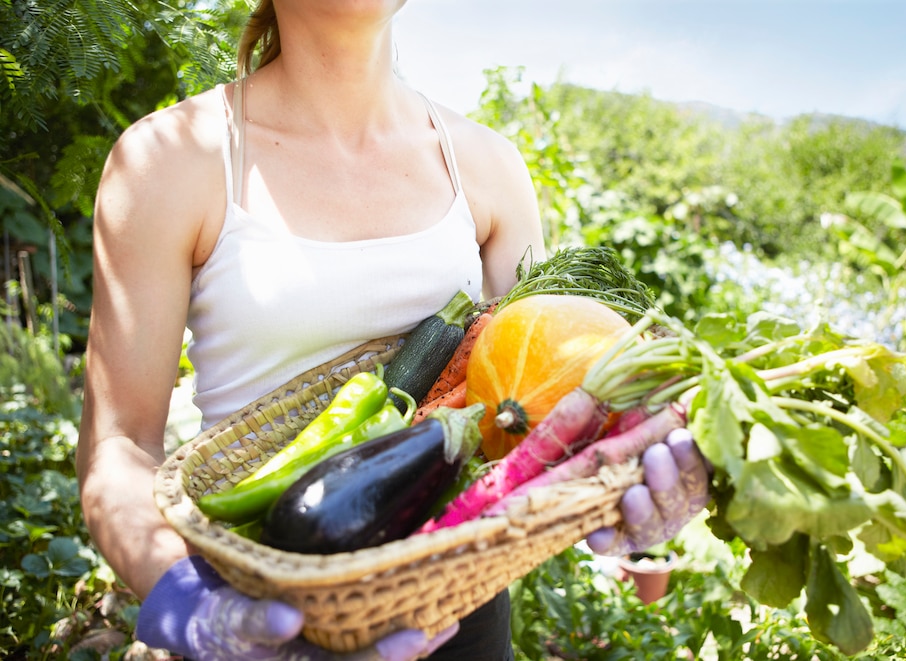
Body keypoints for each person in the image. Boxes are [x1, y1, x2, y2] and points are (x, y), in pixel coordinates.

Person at [75, 1, 710, 659]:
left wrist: (628, 481)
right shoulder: (169, 159)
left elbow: (544, 404)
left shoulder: (488, 166)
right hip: (254, 604)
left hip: (458, 619)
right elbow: (117, 445)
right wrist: (202, 612)